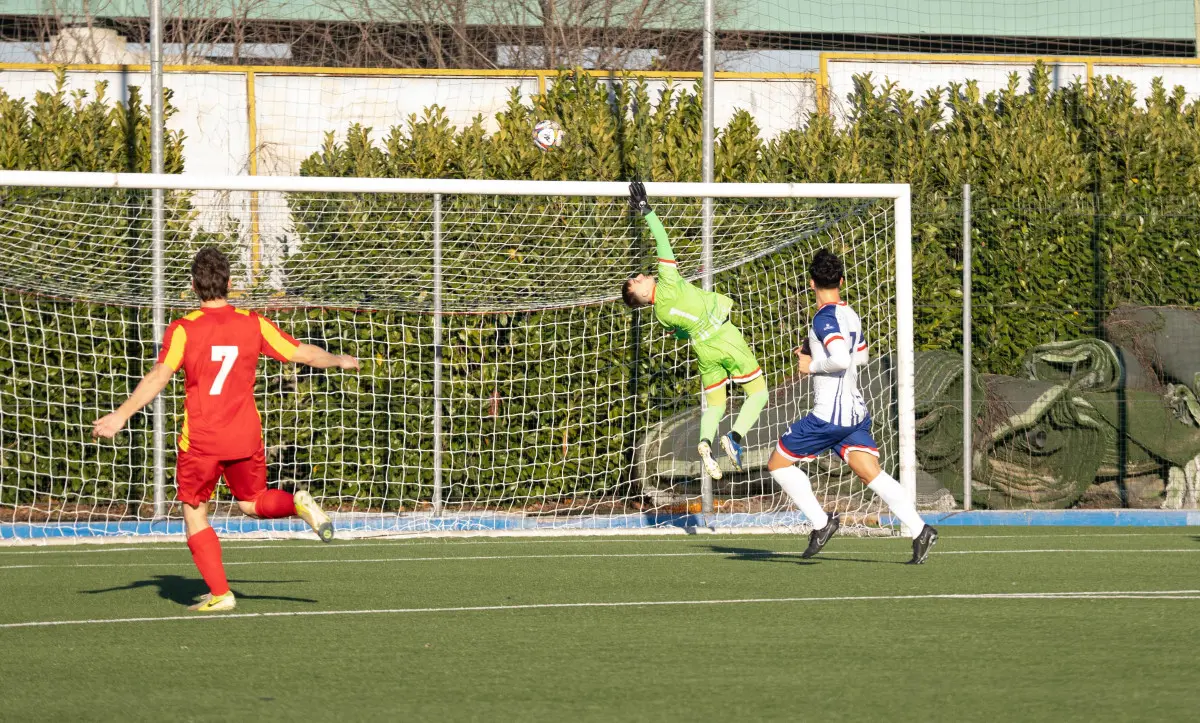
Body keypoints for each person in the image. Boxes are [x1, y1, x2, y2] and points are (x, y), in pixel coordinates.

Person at [93, 247, 360, 611]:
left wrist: (121, 414)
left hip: (202, 441)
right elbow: (303, 353)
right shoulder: (252, 322)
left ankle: (221, 593)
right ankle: (296, 503)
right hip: (245, 436)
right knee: (252, 503)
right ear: (230, 283)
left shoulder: (184, 328)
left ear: (192, 286)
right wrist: (340, 360)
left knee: (193, 509)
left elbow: (159, 376)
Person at [767, 249, 938, 564]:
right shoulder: (850, 314)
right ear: (842, 281)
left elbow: (843, 359)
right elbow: (860, 356)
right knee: (869, 471)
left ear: (810, 283)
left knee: (777, 464)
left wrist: (811, 366)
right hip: (855, 412)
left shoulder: (824, 316)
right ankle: (920, 529)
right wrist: (814, 350)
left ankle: (821, 524)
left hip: (828, 417)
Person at [621, 181, 768, 480]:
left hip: (703, 350)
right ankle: (735, 438)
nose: (639, 275)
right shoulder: (668, 283)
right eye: (636, 281)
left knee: (716, 404)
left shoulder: (660, 314)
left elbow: (678, 332)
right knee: (759, 393)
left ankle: (705, 443)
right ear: (644, 295)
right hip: (724, 337)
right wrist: (645, 209)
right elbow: (662, 241)